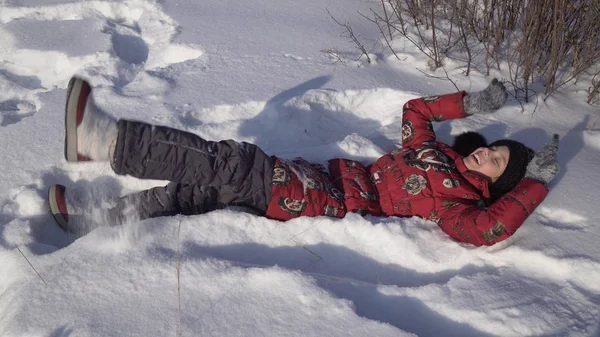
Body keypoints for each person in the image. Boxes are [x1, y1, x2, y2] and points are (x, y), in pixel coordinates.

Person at [49, 77, 559, 246]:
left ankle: (105, 141)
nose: (488, 153)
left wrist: (532, 184)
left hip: (319, 200)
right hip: (312, 176)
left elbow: (486, 230)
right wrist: (471, 104)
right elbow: (416, 110)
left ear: (494, 185)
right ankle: (89, 220)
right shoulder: (430, 149)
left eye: (496, 163)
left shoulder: (457, 205)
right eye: (496, 146)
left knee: (230, 163)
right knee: (192, 194)